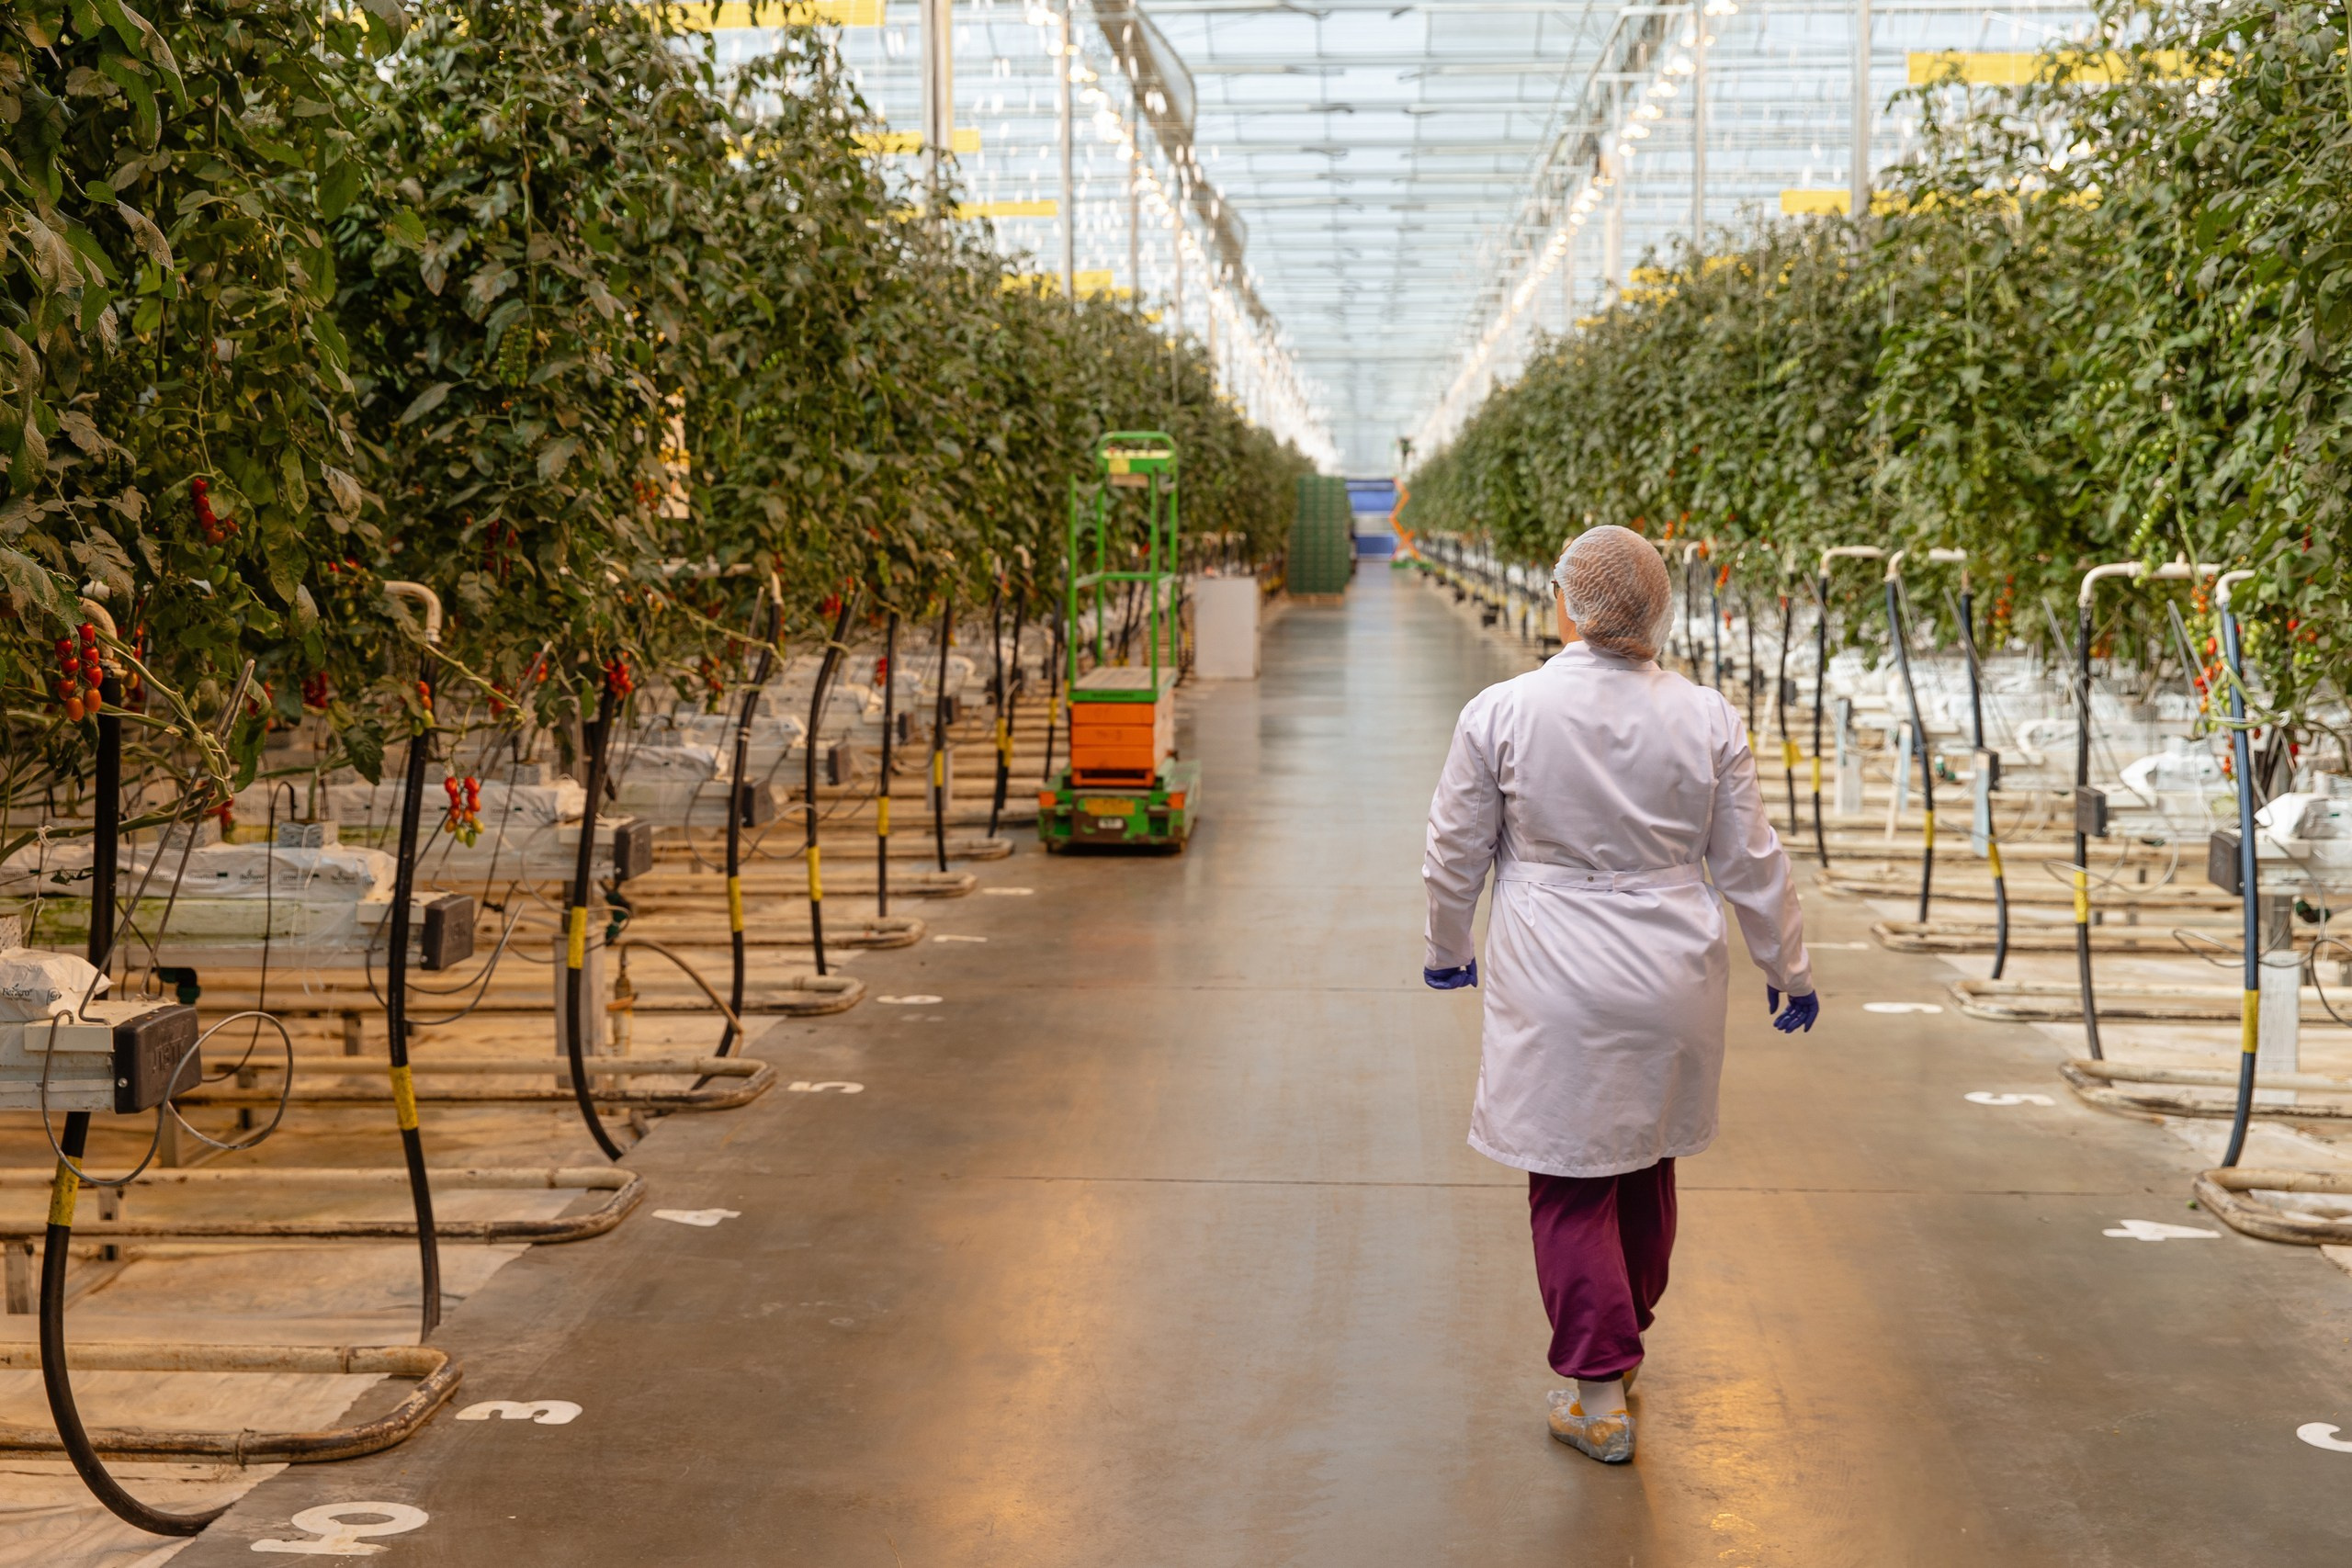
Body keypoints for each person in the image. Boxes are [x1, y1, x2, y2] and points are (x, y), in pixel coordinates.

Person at [1420, 525, 1817, 1465]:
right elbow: (1752, 862)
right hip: (1671, 967)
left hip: (1554, 969)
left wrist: (1446, 947)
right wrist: (1787, 969)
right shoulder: (1706, 717)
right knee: (1643, 1157)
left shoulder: (1502, 712)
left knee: (1566, 1174)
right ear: (1659, 608)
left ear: (1566, 602)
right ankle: (1623, 1328)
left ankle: (1596, 1393)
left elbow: (1453, 848)